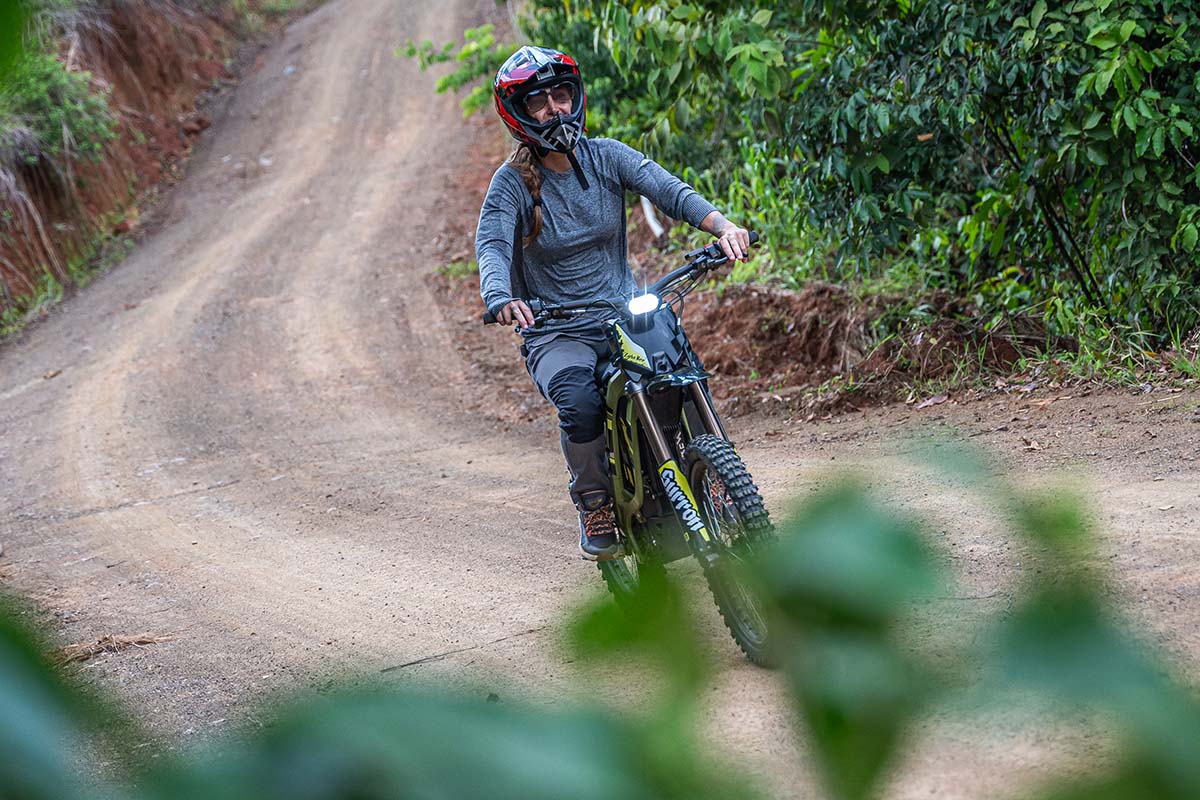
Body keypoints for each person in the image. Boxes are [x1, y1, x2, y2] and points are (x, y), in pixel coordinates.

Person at [476, 45, 752, 561]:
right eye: (539, 101)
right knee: (578, 399)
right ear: (518, 114)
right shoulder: (512, 184)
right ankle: (595, 501)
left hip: (624, 312)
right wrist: (501, 296)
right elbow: (491, 244)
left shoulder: (606, 156)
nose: (555, 108)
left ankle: (722, 480)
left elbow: (667, 188)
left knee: (681, 371)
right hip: (556, 330)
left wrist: (723, 226)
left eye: (562, 94)